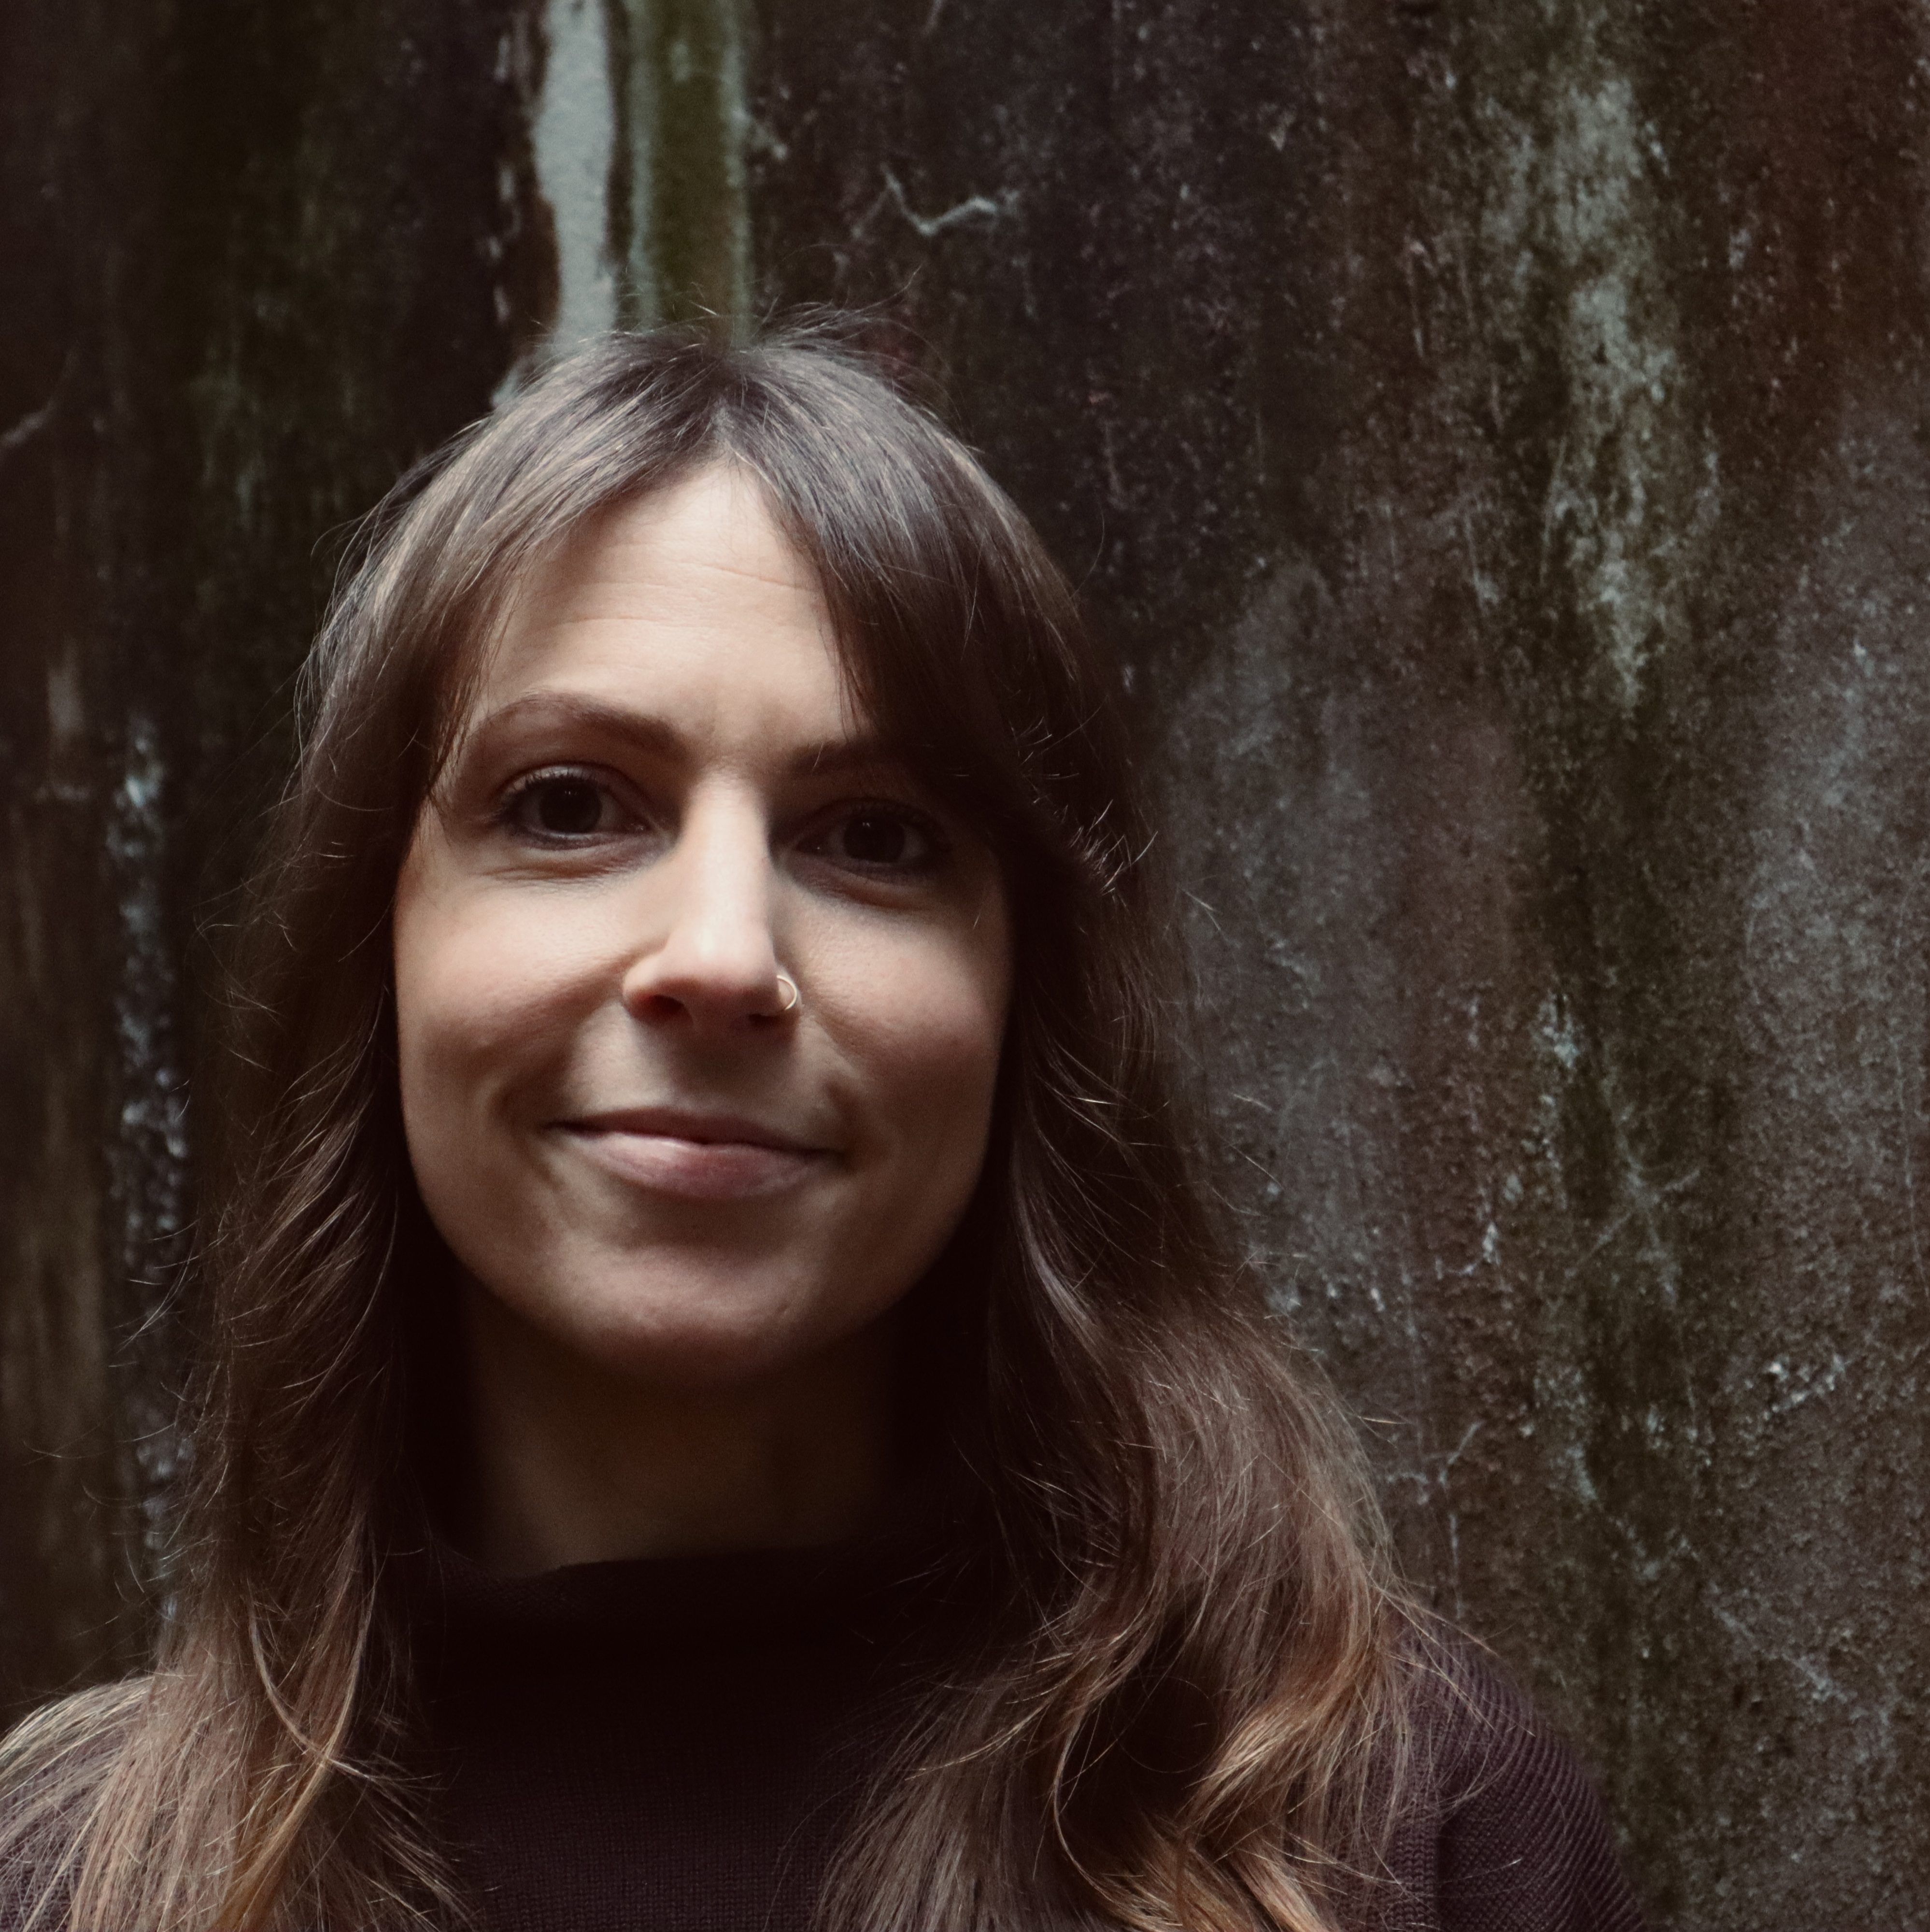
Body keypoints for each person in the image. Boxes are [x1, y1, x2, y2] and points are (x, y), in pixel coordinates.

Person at [0, 322, 1646, 1932]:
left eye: (873, 837)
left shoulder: (1395, 1833)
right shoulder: (73, 1880)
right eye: (569, 805)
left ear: (1027, 1003)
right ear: (378, 946)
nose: (721, 957)